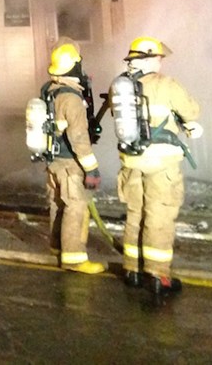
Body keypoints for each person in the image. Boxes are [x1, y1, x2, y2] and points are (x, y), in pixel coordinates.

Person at [113, 36, 203, 298]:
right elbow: (192, 111)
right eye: (159, 57)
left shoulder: (122, 85)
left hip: (131, 160)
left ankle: (132, 270)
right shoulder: (167, 85)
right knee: (159, 215)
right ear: (151, 59)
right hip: (161, 163)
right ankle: (157, 274)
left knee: (135, 213)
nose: (161, 61)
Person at [40, 39, 105, 274]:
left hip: (53, 162)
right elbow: (78, 138)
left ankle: (58, 249)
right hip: (70, 163)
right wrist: (92, 169)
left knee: (58, 205)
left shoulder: (50, 91)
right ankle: (74, 259)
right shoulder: (71, 98)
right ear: (74, 67)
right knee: (75, 206)